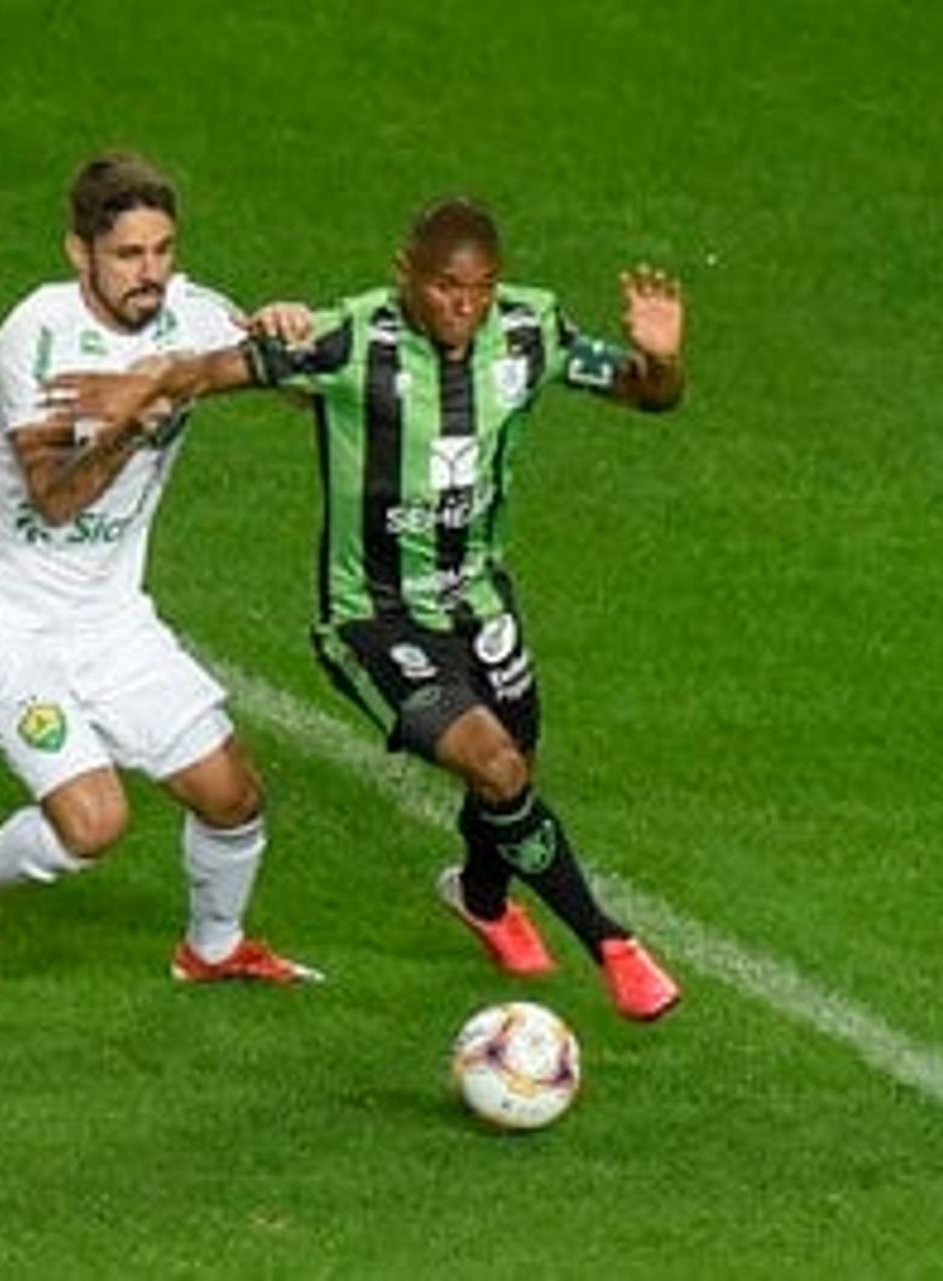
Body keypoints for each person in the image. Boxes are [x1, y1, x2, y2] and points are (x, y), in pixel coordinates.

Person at [45, 197, 686, 1020]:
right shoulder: (353, 339)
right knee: (497, 765)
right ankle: (613, 944)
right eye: (448, 288)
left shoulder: (532, 330)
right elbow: (216, 370)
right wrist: (142, 384)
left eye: (481, 289)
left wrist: (661, 359)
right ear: (405, 275)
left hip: (482, 602)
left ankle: (481, 899)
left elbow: (648, 395)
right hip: (374, 618)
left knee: (508, 780)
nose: (465, 306)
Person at [0, 151, 321, 1014]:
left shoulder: (195, 316)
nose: (151, 274)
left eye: (163, 250)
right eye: (129, 255)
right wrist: (139, 420)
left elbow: (306, 393)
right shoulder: (36, 339)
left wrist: (293, 341)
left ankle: (212, 949)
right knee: (92, 824)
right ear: (79, 252)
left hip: (107, 619)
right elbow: (55, 499)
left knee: (232, 794)